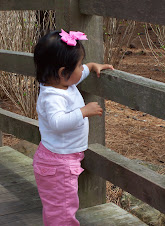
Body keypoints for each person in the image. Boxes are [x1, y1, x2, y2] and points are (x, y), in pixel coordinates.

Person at [33, 29, 114, 226]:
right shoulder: (52, 97)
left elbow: (76, 75)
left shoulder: (60, 84)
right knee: (62, 211)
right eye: (79, 65)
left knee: (56, 209)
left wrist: (92, 66)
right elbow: (57, 123)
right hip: (59, 165)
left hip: (57, 159)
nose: (82, 68)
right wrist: (83, 111)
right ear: (62, 72)